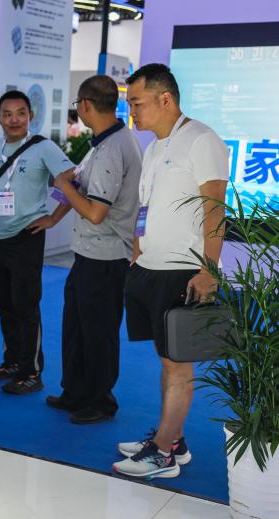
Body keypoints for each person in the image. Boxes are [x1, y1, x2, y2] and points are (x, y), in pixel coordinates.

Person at [112, 63, 228, 479]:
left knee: (178, 365)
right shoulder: (155, 147)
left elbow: (214, 208)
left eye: (137, 103)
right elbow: (146, 207)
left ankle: (162, 452)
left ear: (165, 99)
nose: (132, 112)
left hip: (183, 270)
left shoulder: (201, 140)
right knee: (167, 362)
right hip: (149, 268)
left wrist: (209, 270)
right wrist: (137, 251)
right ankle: (172, 440)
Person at [42, 75, 143, 424]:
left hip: (106, 255)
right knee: (77, 327)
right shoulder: (107, 142)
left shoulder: (113, 148)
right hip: (90, 253)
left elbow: (96, 212)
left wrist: (63, 184)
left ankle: (100, 401)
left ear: (85, 105)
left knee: (98, 332)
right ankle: (76, 392)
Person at [0, 90, 74, 395]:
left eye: (20, 113)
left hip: (27, 236)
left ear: (30, 116)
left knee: (26, 305)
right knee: (4, 304)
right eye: (7, 114)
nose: (14, 119)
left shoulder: (44, 147)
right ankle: (12, 361)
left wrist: (53, 218)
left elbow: (72, 179)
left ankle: (31, 371)